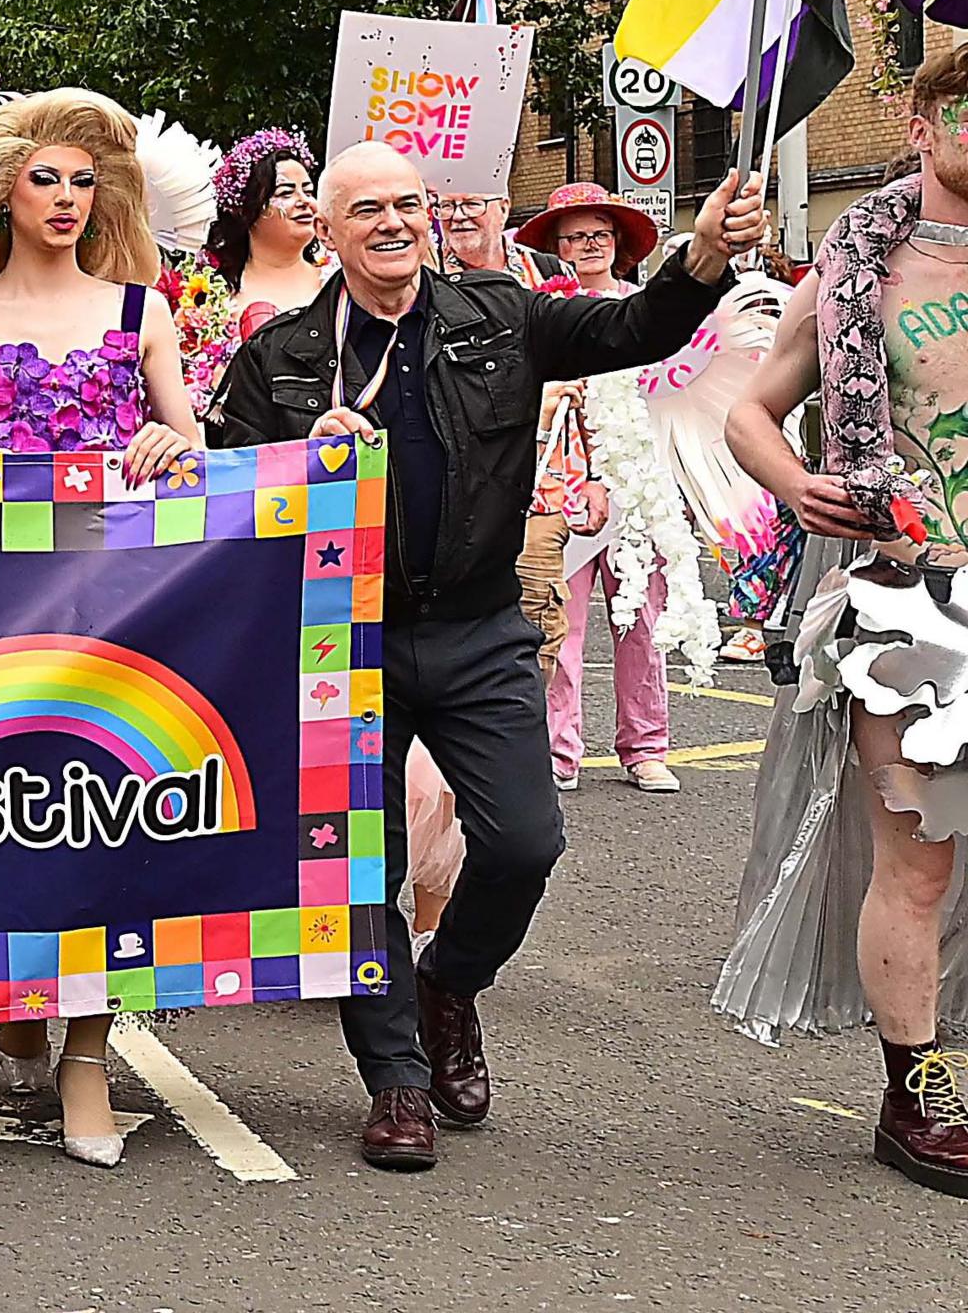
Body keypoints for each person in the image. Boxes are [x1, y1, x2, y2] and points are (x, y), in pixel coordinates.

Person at [209, 142, 762, 1171]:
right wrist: (297, 463)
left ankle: (448, 983)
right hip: (342, 640)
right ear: (325, 231)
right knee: (361, 871)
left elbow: (635, 326)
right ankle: (398, 1086)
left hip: (476, 628)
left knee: (523, 844)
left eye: (408, 204)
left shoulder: (500, 315)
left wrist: (701, 256)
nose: (393, 223)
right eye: (365, 207)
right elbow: (223, 499)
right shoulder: (282, 354)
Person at [0, 90, 204, 1166]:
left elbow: (198, 450)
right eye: (47, 178)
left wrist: (176, 449)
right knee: (0, 810)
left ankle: (88, 1058)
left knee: (101, 819)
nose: (68, 198)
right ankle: (13, 981)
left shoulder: (142, 312)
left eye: (85, 181)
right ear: (3, 192)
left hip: (121, 608)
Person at [715, 48, 968, 1196]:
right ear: (918, 124)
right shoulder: (862, 267)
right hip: (922, 601)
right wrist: (797, 484)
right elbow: (755, 414)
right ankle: (918, 1092)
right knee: (921, 863)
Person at [514, 183, 699, 795]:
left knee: (639, 623)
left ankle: (645, 746)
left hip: (635, 487)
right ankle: (556, 749)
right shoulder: (539, 316)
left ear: (617, 244)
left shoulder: (648, 314)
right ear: (556, 246)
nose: (587, 246)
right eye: (574, 236)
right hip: (559, 490)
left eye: (598, 234)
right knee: (556, 623)